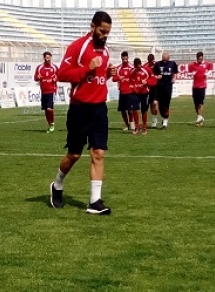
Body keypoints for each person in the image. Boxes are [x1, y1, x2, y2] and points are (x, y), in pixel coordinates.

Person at [50, 10, 115, 215]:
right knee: (74, 154)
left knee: (98, 153)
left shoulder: (105, 51)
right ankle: (57, 184)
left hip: (99, 108)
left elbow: (98, 78)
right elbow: (61, 74)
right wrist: (87, 68)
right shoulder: (78, 46)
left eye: (108, 33)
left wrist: (108, 74)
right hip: (79, 109)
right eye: (102, 32)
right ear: (93, 27)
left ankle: (94, 201)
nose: (105, 36)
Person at [34, 51, 59, 133]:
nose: (47, 59)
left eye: (49, 57)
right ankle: (49, 124)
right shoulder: (39, 67)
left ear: (51, 57)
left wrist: (56, 79)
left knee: (49, 108)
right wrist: (38, 77)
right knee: (45, 109)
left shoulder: (54, 67)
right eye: (46, 57)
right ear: (44, 58)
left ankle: (52, 124)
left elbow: (59, 75)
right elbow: (35, 78)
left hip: (52, 91)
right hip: (43, 91)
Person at [187, 51, 214, 126]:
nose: (200, 60)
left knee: (200, 103)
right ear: (196, 58)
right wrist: (191, 74)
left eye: (201, 59)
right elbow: (188, 73)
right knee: (196, 104)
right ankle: (199, 118)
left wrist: (208, 73)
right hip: (195, 86)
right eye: (199, 59)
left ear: (203, 58)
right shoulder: (192, 65)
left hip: (202, 86)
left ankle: (199, 119)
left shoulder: (207, 64)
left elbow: (211, 69)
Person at [153, 52, 178, 129]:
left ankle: (165, 121)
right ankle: (161, 118)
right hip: (159, 87)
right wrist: (157, 77)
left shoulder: (173, 64)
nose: (165, 62)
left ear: (169, 59)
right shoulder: (157, 64)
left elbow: (175, 72)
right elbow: (153, 74)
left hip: (168, 87)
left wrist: (174, 78)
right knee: (155, 103)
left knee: (166, 105)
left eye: (166, 60)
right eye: (163, 60)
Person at [128, 57, 151, 135]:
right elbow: (130, 81)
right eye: (136, 66)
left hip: (144, 93)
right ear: (134, 66)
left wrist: (147, 82)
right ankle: (137, 127)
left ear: (141, 64)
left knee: (144, 110)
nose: (138, 68)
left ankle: (144, 127)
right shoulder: (132, 71)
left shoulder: (146, 70)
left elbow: (153, 79)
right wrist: (131, 86)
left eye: (139, 66)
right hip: (135, 93)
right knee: (134, 109)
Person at [113, 51, 134, 130]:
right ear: (121, 58)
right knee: (122, 110)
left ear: (128, 57)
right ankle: (127, 125)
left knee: (130, 110)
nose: (124, 60)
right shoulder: (118, 68)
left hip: (130, 91)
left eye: (126, 58)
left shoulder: (132, 67)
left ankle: (131, 124)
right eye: (123, 58)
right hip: (122, 91)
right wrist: (119, 78)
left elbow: (136, 76)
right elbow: (114, 79)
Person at [145, 53, 159, 128]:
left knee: (155, 103)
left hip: (156, 87)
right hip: (149, 87)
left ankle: (156, 117)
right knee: (151, 104)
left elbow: (160, 74)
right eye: (149, 61)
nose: (151, 62)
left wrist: (157, 77)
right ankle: (154, 119)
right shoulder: (146, 66)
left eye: (151, 60)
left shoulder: (157, 65)